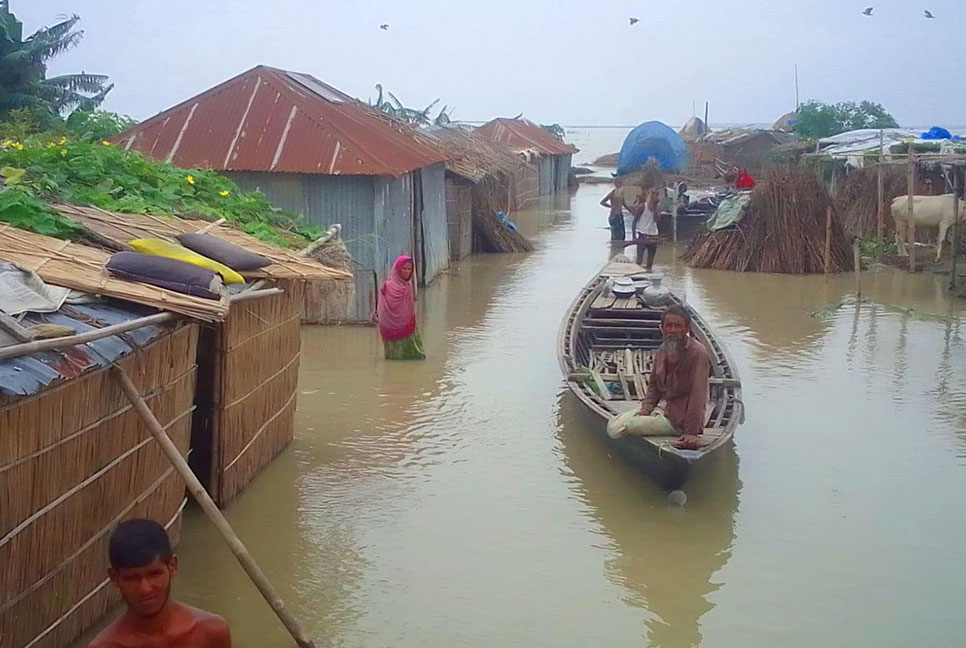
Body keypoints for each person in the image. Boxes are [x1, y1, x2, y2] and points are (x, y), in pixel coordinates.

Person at [89, 519, 231, 648]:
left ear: (172, 566)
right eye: (132, 578)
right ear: (114, 577)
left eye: (154, 574)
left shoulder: (210, 633)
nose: (145, 589)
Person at [636, 305, 711, 450]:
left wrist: (692, 432)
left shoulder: (697, 353)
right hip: (669, 415)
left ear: (687, 329)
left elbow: (699, 395)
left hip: (683, 423)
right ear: (662, 328)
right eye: (669, 326)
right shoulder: (662, 351)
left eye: (678, 326)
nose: (673, 330)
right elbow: (654, 386)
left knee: (630, 426)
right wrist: (645, 411)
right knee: (632, 421)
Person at [377, 255, 426, 360]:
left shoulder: (407, 286)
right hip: (390, 325)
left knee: (415, 354)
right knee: (394, 356)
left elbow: (409, 307)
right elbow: (383, 309)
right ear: (398, 269)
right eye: (404, 269)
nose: (407, 271)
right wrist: (391, 322)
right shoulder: (387, 286)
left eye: (409, 269)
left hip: (407, 324)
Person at [631, 187, 661, 271]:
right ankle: (636, 277)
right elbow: (634, 221)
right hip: (642, 235)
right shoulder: (642, 206)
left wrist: (655, 208)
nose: (654, 196)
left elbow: (657, 220)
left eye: (656, 194)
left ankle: (648, 275)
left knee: (650, 262)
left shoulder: (657, 207)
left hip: (653, 236)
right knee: (639, 260)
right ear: (649, 195)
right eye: (653, 194)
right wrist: (634, 236)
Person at [600, 178, 629, 243]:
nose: (621, 184)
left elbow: (625, 204)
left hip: (620, 216)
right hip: (614, 216)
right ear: (616, 184)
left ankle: (619, 251)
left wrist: (632, 212)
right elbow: (602, 202)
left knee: (622, 237)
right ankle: (614, 250)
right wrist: (611, 206)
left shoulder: (621, 193)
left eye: (621, 183)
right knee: (616, 237)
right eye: (619, 183)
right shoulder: (613, 193)